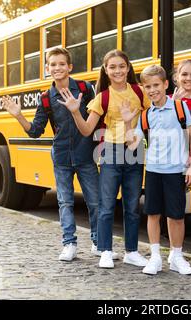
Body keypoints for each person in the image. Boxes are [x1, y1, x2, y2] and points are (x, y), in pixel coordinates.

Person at [1, 47, 102, 262]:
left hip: (85, 155)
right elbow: (35, 131)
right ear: (47, 69)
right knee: (65, 202)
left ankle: (98, 241)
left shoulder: (85, 89)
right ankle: (69, 244)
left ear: (70, 67)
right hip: (62, 156)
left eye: (61, 64)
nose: (57, 68)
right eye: (53, 64)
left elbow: (96, 121)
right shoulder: (46, 98)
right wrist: (19, 116)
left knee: (95, 201)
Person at [57, 49, 150, 269]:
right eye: (112, 67)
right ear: (106, 71)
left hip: (135, 151)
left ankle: (131, 251)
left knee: (132, 206)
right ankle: (106, 250)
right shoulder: (102, 97)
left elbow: (152, 116)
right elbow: (88, 129)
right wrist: (75, 111)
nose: (117, 70)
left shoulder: (139, 92)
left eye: (121, 66)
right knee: (107, 205)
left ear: (128, 68)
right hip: (110, 152)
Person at [122, 65, 191, 275]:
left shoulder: (180, 108)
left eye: (156, 85)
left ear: (166, 84)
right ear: (143, 88)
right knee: (153, 214)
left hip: (176, 171)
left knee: (176, 216)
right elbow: (132, 144)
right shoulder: (145, 116)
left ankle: (177, 256)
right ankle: (155, 257)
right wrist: (128, 123)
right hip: (154, 170)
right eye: (148, 86)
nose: (152, 90)